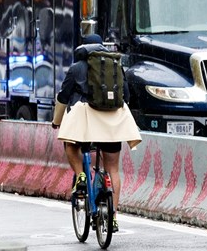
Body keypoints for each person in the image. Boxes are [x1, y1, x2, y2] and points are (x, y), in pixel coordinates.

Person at [52, 34, 141, 232]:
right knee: (113, 170)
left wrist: (56, 121)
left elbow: (63, 96)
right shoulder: (115, 67)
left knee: (71, 145)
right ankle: (114, 216)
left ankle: (81, 176)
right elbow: (125, 96)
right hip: (112, 122)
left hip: (86, 122)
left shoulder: (76, 69)